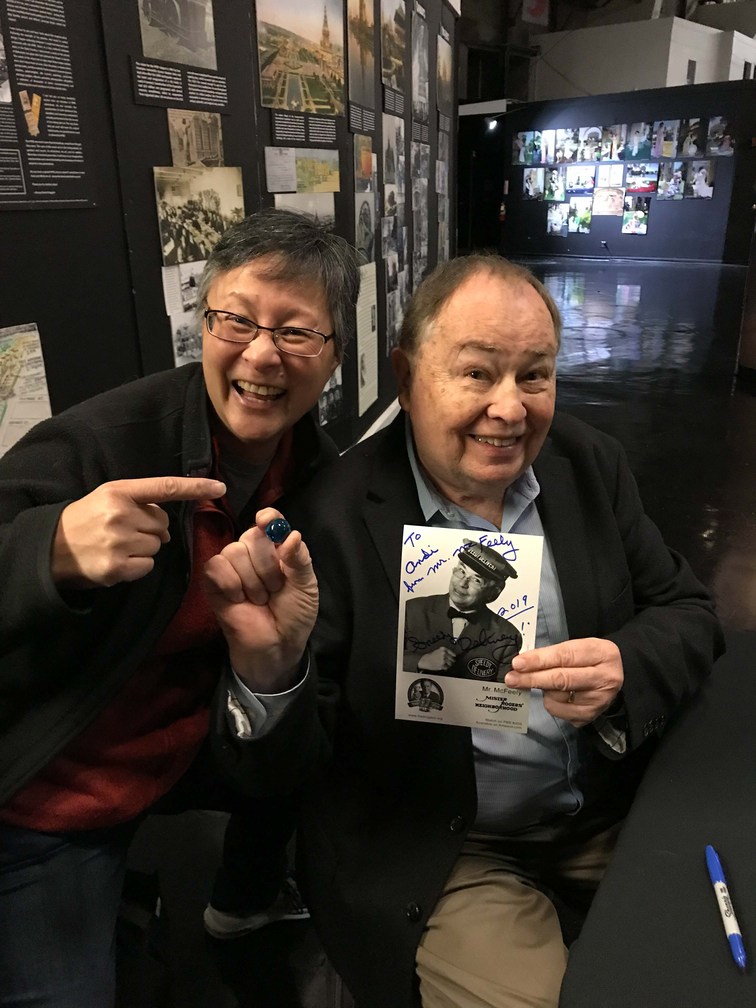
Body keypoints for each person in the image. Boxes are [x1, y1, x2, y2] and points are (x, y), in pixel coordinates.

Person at [225, 253, 724, 1008]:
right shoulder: (331, 522)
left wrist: (624, 665)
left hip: (608, 806)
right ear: (406, 377)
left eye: (535, 375)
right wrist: (269, 670)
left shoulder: (589, 466)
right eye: (477, 373)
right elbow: (285, 771)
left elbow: (688, 610)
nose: (510, 408)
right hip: (451, 845)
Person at [0, 206, 359, 1006]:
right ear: (204, 324)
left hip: (190, 746)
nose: (261, 354)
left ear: (335, 354)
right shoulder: (102, 444)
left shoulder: (320, 486)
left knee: (328, 739)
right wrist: (48, 553)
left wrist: (271, 670)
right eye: (237, 320)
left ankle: (244, 894)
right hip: (54, 787)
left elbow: (291, 729)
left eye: (296, 332)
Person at [403, 540, 522, 682]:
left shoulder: (508, 636)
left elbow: (505, 691)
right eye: (461, 571)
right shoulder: (411, 609)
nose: (462, 583)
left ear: (494, 593)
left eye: (476, 580)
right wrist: (420, 661)